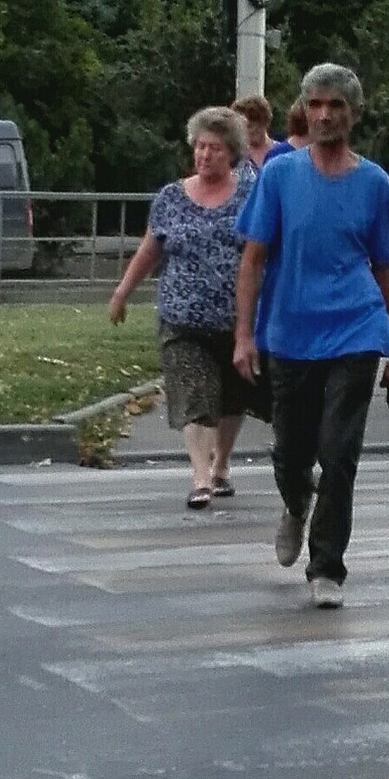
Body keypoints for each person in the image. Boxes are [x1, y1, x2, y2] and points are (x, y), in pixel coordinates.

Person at [233, 63, 389, 609]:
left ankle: (326, 565)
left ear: (354, 114)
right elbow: (253, 258)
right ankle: (295, 501)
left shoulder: (374, 182)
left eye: (336, 105)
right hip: (290, 332)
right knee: (291, 452)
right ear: (304, 110)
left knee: (339, 452)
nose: (325, 114)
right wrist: (244, 335)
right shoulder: (281, 176)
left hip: (356, 329)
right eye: (315, 104)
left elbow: (387, 272)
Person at [108, 107, 254, 508]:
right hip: (181, 318)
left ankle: (221, 464)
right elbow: (150, 248)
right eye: (200, 147)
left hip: (235, 318)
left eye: (215, 149)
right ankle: (200, 478)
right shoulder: (171, 198)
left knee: (231, 399)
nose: (205, 155)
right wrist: (123, 291)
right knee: (194, 398)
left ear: (232, 154)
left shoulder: (249, 196)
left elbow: (261, 256)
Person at [232, 94, 292, 174]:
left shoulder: (282, 152)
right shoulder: (236, 156)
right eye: (242, 127)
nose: (246, 131)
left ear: (264, 123)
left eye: (250, 126)